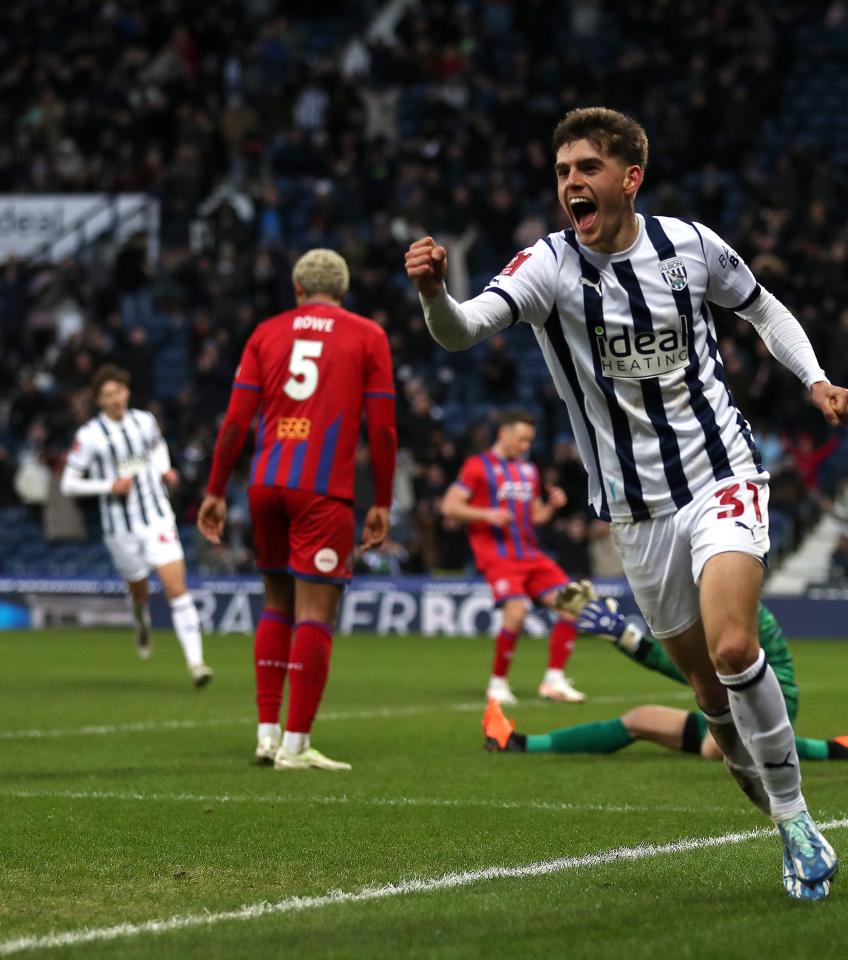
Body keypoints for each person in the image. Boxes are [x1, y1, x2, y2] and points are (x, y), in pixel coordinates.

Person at [406, 107, 848, 900]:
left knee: (732, 647)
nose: (571, 183)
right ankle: (773, 803)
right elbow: (462, 331)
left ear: (628, 178)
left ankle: (796, 818)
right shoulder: (546, 265)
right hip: (635, 511)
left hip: (722, 474)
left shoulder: (691, 246)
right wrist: (434, 295)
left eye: (586, 168)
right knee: (709, 694)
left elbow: (763, 307)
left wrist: (812, 377)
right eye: (562, 171)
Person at [198, 249, 397, 772]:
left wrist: (216, 490)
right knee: (316, 613)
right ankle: (295, 744)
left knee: (275, 604)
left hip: (265, 485)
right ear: (344, 289)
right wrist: (382, 500)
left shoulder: (266, 332)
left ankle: (266, 735)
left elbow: (236, 422)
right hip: (322, 490)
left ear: (296, 287)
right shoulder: (367, 335)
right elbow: (382, 428)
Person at [484, 592, 848, 765]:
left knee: (712, 747)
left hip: (770, 696)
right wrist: (621, 635)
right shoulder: (704, 595)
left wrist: (624, 637)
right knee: (639, 718)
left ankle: (841, 749)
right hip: (732, 694)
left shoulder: (730, 605)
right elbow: (693, 669)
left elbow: (695, 670)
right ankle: (515, 742)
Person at [61, 365, 212, 687]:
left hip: (157, 515)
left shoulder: (144, 421)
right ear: (99, 400)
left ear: (126, 392)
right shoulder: (89, 437)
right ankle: (141, 620)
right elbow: (69, 484)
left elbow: (156, 447)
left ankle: (197, 664)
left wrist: (165, 469)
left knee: (176, 589)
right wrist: (108, 486)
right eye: (107, 395)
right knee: (139, 590)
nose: (114, 398)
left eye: (118, 391)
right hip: (120, 527)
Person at [442, 409, 585, 704]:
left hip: (530, 553)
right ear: (503, 434)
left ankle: (554, 681)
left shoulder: (528, 470)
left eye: (529, 441)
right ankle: (497, 684)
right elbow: (449, 506)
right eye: (521, 439)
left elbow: (535, 516)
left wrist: (553, 506)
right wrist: (486, 513)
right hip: (498, 555)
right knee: (516, 611)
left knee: (572, 602)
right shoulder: (476, 467)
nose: (525, 446)